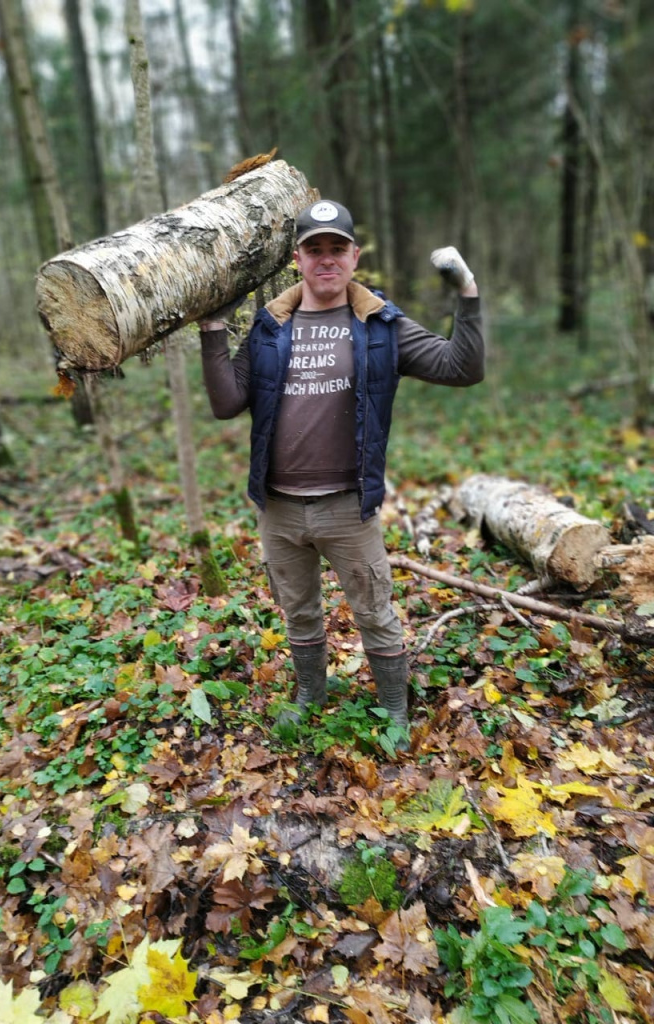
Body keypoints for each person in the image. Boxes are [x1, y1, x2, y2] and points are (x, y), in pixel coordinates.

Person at [198, 199, 484, 750]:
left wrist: (466, 290)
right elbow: (226, 402)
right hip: (278, 507)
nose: (326, 260)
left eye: (336, 249)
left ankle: (395, 710)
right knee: (298, 610)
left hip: (347, 507)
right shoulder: (269, 327)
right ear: (298, 260)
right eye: (314, 250)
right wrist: (213, 327)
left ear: (354, 257)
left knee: (375, 611)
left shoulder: (381, 326)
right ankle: (310, 697)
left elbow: (461, 367)